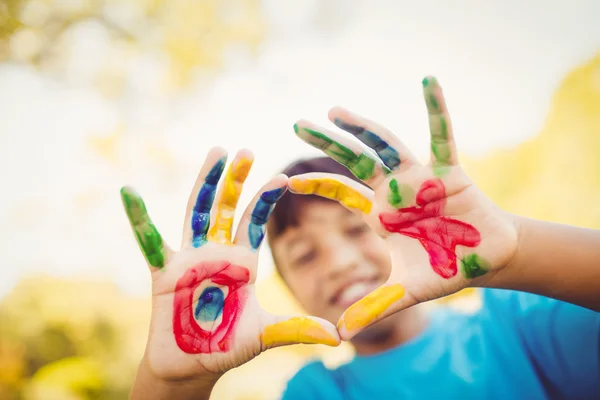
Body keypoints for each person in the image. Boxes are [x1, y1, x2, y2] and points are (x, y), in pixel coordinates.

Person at [125, 77, 600, 400]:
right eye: (305, 255)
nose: (339, 262)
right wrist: (171, 385)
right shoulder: (317, 393)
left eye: (356, 228)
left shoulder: (512, 327)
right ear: (288, 288)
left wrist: (516, 250)